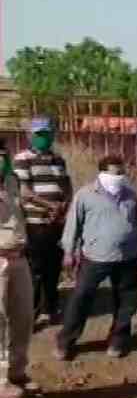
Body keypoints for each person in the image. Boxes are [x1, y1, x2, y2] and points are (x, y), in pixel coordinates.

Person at [55, 156, 137, 360]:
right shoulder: (85, 195)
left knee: (126, 301)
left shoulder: (130, 195)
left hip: (127, 257)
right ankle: (66, 341)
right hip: (95, 257)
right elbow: (73, 225)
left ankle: (118, 340)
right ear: (102, 173)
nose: (119, 177)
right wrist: (68, 252)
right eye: (115, 173)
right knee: (81, 298)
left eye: (122, 173)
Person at [13, 117, 72, 326]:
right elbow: (24, 192)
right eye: (39, 135)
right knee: (35, 269)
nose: (43, 138)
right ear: (30, 135)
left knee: (53, 267)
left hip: (56, 223)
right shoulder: (22, 159)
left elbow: (66, 185)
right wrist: (50, 206)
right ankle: (33, 313)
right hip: (35, 223)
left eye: (46, 134)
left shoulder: (58, 159)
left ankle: (52, 308)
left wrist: (64, 206)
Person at [0, 138, 37, 398]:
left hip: (19, 256)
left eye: (3, 153)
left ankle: (17, 371)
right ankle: (1, 381)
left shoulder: (12, 180)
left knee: (23, 318)